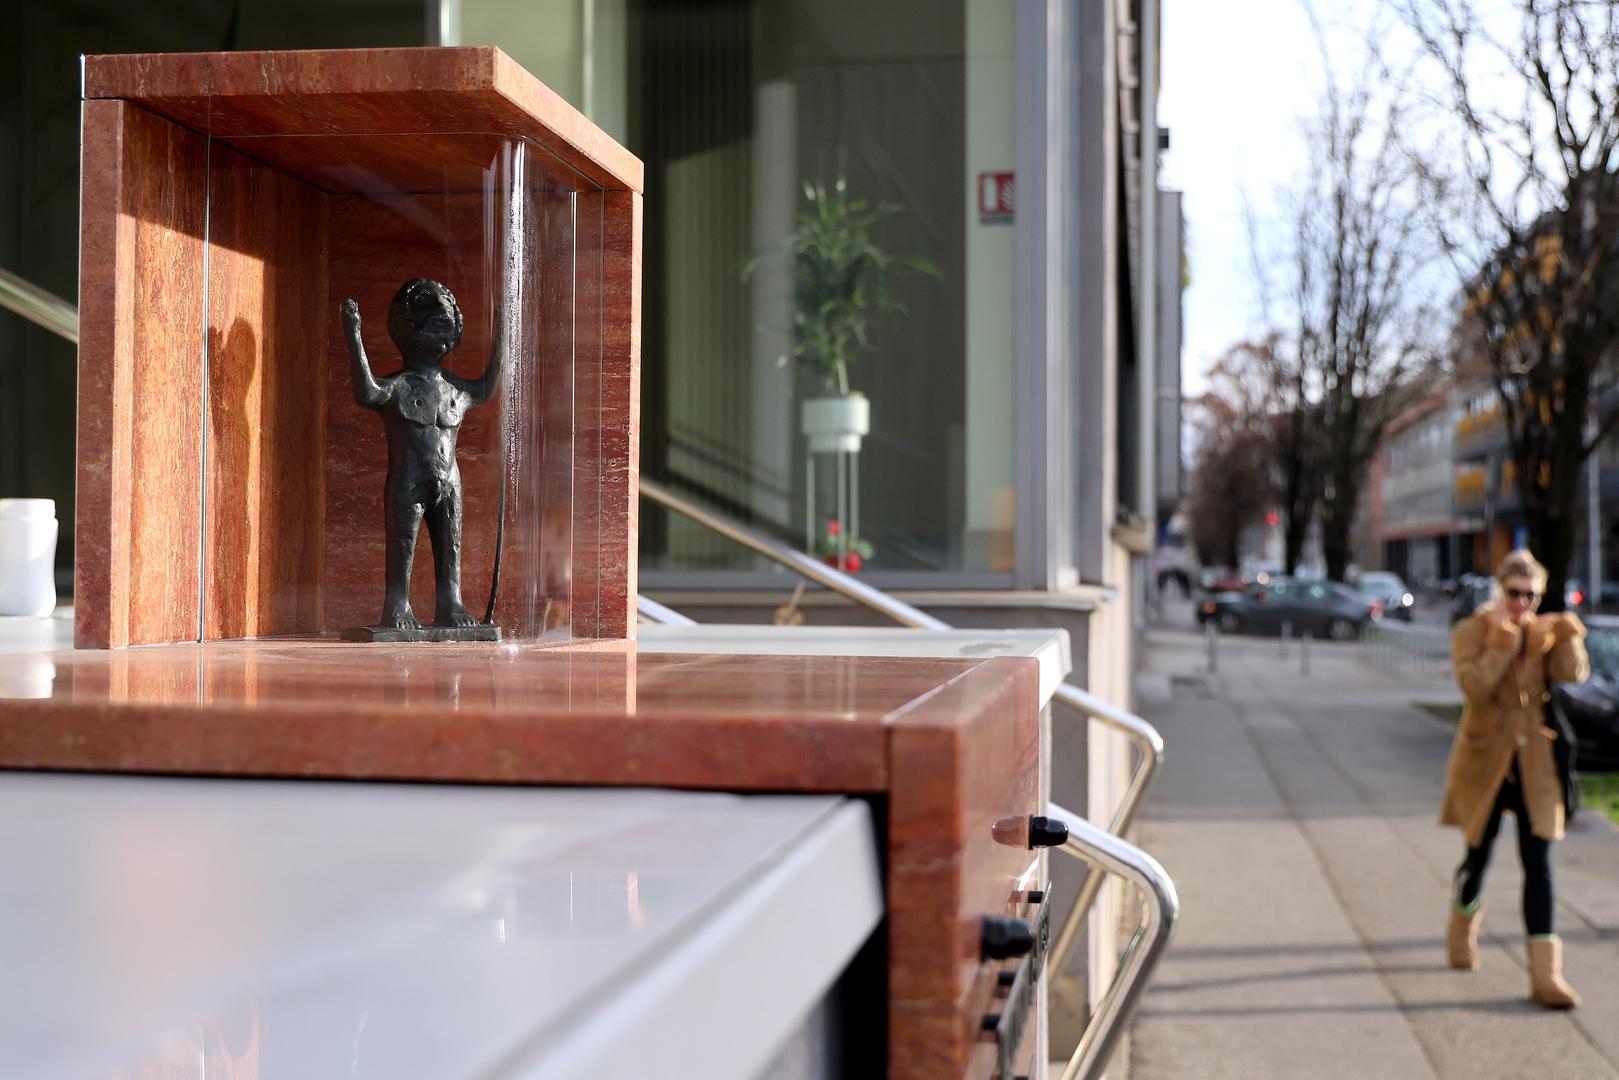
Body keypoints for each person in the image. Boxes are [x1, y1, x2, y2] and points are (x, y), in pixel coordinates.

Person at [1442, 549, 1588, 1008]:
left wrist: (1569, 636)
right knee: (1478, 857)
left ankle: (1546, 976)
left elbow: (1573, 674)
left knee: (1538, 861)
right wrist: (1502, 644)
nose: (1522, 603)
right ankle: (1461, 925)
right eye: (1514, 593)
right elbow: (1474, 689)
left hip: (1535, 761)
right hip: (1486, 757)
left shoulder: (1542, 633)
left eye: (1531, 596)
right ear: (1499, 589)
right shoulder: (1471, 631)